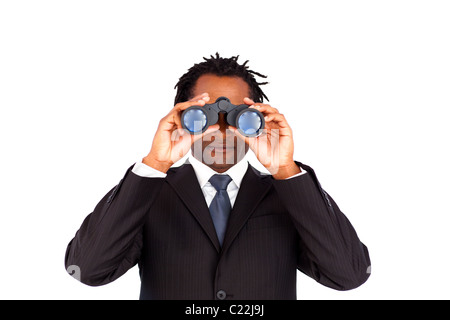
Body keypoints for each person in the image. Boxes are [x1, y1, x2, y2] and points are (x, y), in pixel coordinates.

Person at [65, 53, 371, 300]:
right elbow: (87, 269)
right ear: (180, 118)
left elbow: (349, 275)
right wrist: (154, 164)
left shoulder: (286, 196)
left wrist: (286, 170)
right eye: (204, 116)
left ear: (260, 119)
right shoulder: (151, 191)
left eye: (240, 118)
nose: (222, 131)